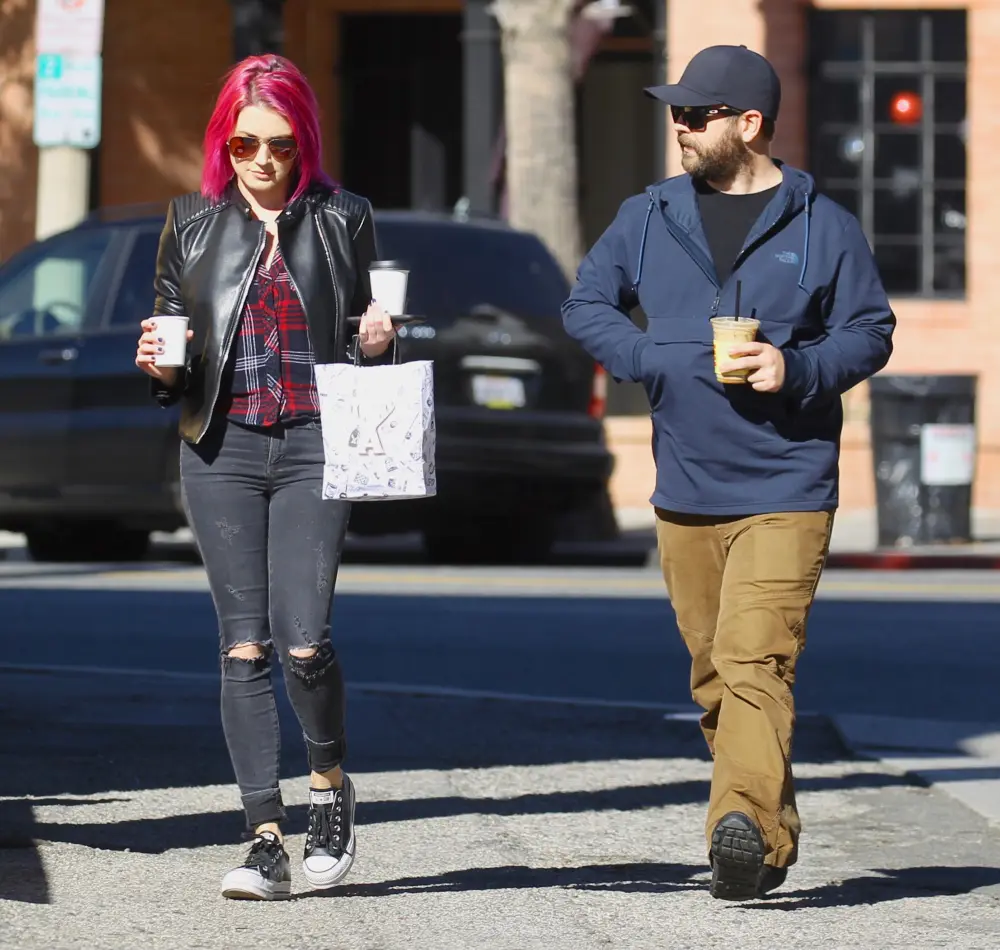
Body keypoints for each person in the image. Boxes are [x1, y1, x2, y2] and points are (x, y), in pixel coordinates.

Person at [562, 45, 895, 901]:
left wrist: (800, 369)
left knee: (756, 663)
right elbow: (586, 300)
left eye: (698, 113)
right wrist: (642, 354)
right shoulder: (649, 214)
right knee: (715, 678)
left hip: (786, 484)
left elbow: (869, 328)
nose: (680, 123)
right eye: (676, 111)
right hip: (685, 487)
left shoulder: (824, 224)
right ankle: (767, 832)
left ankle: (736, 830)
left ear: (749, 125)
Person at [135, 54, 396, 900]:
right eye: (243, 142)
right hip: (222, 449)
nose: (261, 159)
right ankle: (263, 836)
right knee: (241, 646)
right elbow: (173, 352)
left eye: (279, 144)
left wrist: (383, 340)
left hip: (318, 443)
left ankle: (329, 787)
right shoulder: (191, 222)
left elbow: (371, 332)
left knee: (305, 639)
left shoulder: (342, 217)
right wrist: (159, 365)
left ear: (302, 141)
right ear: (224, 142)